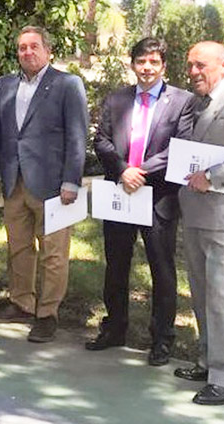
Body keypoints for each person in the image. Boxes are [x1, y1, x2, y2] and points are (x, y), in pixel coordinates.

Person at [87, 37, 194, 367]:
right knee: (115, 264)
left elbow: (180, 147)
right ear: (132, 64)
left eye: (153, 62)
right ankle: (115, 327)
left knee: (162, 269)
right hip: (119, 192)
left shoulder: (182, 102)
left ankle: (162, 339)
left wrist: (139, 171)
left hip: (158, 196)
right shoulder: (118, 98)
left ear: (163, 65)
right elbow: (101, 139)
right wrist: (121, 171)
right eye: (141, 61)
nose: (147, 68)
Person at [0, 26, 88, 343]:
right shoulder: (5, 85)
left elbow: (77, 136)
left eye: (33, 47)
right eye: (22, 47)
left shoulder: (67, 84)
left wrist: (72, 180)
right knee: (18, 247)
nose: (27, 52)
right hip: (14, 182)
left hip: (54, 186)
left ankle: (47, 313)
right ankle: (21, 302)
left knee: (53, 254)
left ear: (48, 50)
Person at [173, 41, 224, 406]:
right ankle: (207, 360)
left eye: (201, 65)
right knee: (201, 295)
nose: (193, 71)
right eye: (190, 66)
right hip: (198, 214)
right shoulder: (198, 101)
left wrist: (214, 176)